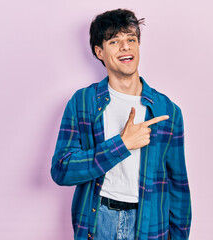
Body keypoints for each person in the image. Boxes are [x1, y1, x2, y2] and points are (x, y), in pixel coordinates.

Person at [51, 8, 191, 240]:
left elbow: (178, 186)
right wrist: (122, 145)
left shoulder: (168, 111)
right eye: (114, 41)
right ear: (99, 52)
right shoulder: (83, 102)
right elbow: (61, 170)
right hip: (98, 221)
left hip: (149, 225)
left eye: (131, 39)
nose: (125, 46)